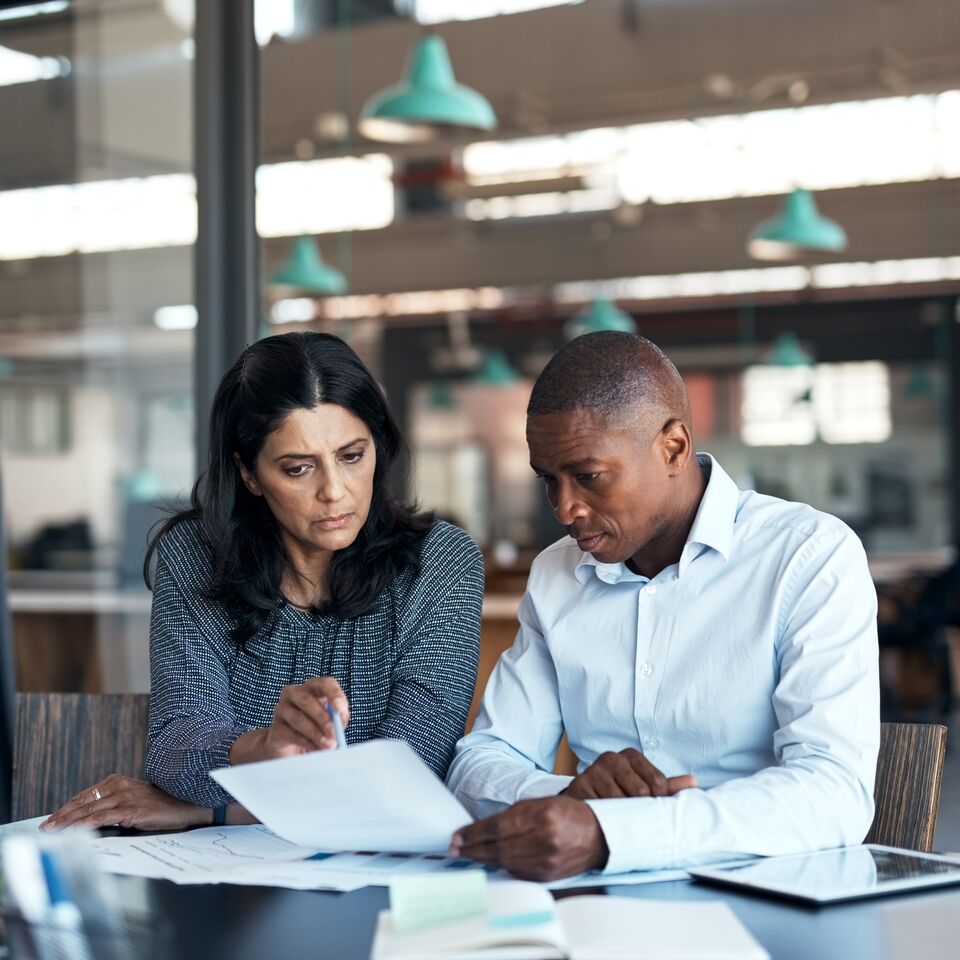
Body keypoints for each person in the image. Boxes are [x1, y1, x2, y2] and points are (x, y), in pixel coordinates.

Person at [446, 331, 879, 882]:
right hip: (599, 906)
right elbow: (481, 762)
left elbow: (833, 792)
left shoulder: (808, 556)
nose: (564, 508)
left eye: (588, 477)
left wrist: (615, 833)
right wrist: (568, 798)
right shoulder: (557, 575)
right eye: (548, 480)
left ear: (672, 447)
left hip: (768, 894)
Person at [44, 332, 483, 831]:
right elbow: (174, 752)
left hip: (382, 869)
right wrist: (267, 746)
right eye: (298, 468)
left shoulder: (439, 562)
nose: (335, 492)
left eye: (352, 456)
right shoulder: (195, 555)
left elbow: (410, 773)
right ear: (249, 474)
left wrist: (205, 810)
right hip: (235, 878)